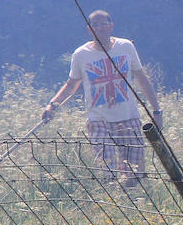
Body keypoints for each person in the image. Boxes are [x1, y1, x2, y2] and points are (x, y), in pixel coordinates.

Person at [42, 9, 162, 185]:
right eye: (95, 25)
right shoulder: (81, 54)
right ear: (89, 29)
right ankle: (113, 202)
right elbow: (71, 84)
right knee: (108, 172)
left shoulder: (126, 46)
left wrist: (157, 111)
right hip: (99, 121)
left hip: (129, 118)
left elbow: (141, 78)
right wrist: (52, 105)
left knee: (135, 173)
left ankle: (134, 202)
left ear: (111, 26)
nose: (99, 28)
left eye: (103, 24)